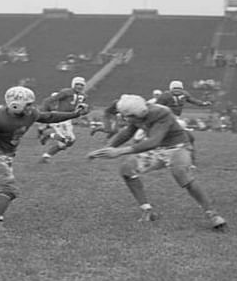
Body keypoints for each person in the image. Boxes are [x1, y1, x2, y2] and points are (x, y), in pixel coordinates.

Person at [87, 94, 227, 230]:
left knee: (181, 173)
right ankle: (147, 210)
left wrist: (119, 151)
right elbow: (128, 132)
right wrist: (105, 150)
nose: (127, 118)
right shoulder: (136, 112)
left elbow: (154, 141)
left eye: (129, 116)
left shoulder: (161, 112)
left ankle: (212, 214)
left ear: (137, 113)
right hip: (159, 149)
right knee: (127, 169)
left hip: (178, 147)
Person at [0, 86, 89, 230]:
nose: (31, 107)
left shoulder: (30, 113)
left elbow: (49, 117)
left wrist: (75, 114)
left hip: (6, 156)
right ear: (15, 104)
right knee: (8, 189)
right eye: (28, 104)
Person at [38, 76, 89, 163]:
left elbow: (82, 110)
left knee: (66, 144)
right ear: (73, 84)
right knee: (67, 140)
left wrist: (84, 110)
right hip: (60, 118)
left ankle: (46, 155)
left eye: (81, 85)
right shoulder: (66, 92)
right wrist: (46, 113)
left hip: (68, 120)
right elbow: (47, 100)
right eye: (77, 84)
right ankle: (48, 138)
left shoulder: (83, 96)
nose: (79, 86)